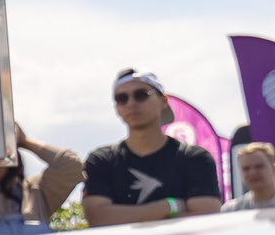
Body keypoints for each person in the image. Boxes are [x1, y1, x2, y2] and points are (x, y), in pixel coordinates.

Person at [85, 70, 224, 226]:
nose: (131, 103)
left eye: (141, 95)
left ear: (163, 102)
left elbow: (205, 218)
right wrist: (169, 206)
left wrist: (125, 216)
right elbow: (98, 218)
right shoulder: (102, 160)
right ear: (116, 108)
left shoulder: (195, 158)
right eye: (122, 98)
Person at [229, 140, 275, 212]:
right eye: (246, 169)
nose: (252, 172)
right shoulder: (231, 210)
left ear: (273, 169)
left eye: (259, 167)